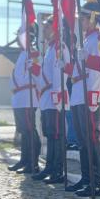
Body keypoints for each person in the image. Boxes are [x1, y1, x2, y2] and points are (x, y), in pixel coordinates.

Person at [67, 0, 100, 192]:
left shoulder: (99, 40)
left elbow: (99, 67)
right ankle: (86, 177)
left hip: (88, 93)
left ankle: (95, 181)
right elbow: (78, 71)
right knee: (82, 140)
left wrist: (92, 95)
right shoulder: (84, 41)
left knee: (91, 138)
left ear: (92, 18)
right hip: (78, 93)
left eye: (83, 18)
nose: (80, 22)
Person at [33, 17, 69, 182]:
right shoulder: (50, 49)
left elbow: (61, 73)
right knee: (49, 134)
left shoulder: (60, 47)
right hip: (47, 97)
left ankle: (57, 170)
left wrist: (57, 95)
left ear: (55, 29)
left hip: (55, 97)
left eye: (47, 27)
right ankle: (49, 167)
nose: (44, 30)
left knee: (57, 135)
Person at [8, 24, 41, 174]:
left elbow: (38, 73)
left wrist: (33, 65)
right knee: (24, 131)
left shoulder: (32, 53)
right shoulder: (22, 54)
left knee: (29, 130)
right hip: (20, 98)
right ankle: (24, 159)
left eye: (20, 35)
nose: (17, 38)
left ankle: (33, 163)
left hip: (28, 97)